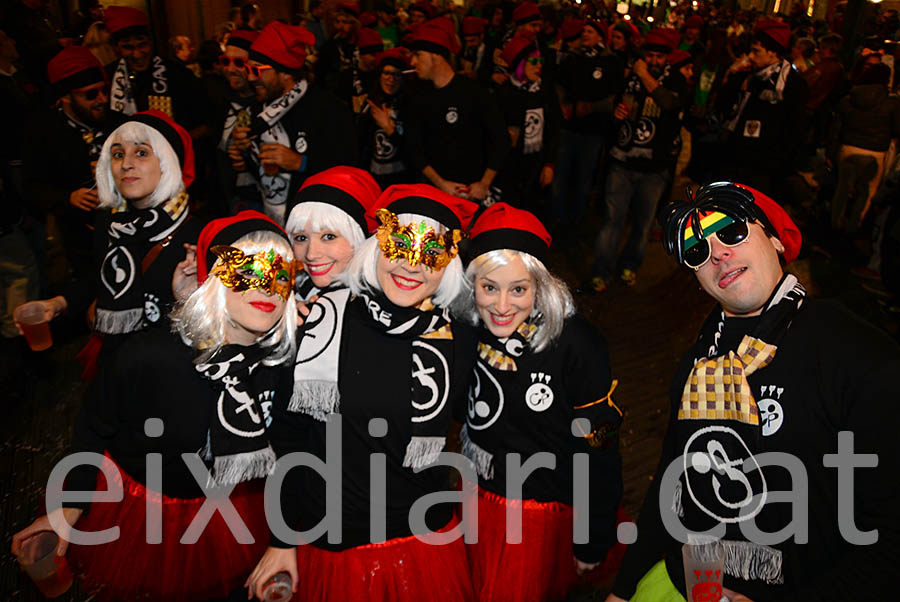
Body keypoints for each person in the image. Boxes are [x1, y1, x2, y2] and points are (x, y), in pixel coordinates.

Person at [606, 181, 900, 602]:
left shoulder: (857, 356)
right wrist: (623, 586)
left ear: (777, 239)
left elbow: (889, 537)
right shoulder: (699, 363)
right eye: (697, 252)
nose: (718, 254)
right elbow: (672, 487)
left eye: (731, 232)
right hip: (685, 585)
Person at [11, 210, 298, 601]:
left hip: (228, 513)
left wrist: (285, 537)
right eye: (247, 272)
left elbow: (291, 452)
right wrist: (71, 506)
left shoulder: (281, 369)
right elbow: (93, 427)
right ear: (213, 279)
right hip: (146, 516)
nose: (266, 287)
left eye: (280, 275)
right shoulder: (149, 356)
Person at [245, 184, 479, 601]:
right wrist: (283, 538)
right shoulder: (325, 320)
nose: (411, 267)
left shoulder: (459, 336)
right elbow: (290, 439)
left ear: (449, 266)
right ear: (375, 248)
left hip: (424, 536)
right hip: (337, 537)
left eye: (431, 255)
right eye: (399, 247)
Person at [460, 202, 624, 601]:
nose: (501, 306)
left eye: (518, 289)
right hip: (478, 499)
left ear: (541, 285)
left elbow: (600, 449)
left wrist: (592, 537)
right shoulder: (466, 327)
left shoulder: (577, 344)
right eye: (489, 288)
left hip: (538, 513)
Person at [229, 21, 357, 224]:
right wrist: (243, 153)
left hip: (316, 220)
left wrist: (301, 163)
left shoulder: (328, 109)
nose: (250, 78)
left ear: (286, 73)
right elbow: (257, 174)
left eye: (257, 70)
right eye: (247, 69)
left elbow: (350, 169)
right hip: (271, 219)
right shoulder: (257, 111)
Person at [590, 28, 687, 292]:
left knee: (642, 225)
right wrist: (618, 113)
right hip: (622, 162)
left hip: (654, 168)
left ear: (667, 58)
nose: (654, 61)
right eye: (650, 56)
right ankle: (601, 271)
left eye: (659, 57)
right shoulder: (629, 78)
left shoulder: (675, 79)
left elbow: (670, 105)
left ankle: (629, 266)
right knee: (613, 222)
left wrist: (644, 74)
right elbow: (617, 104)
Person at [24, 46, 117, 282]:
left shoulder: (118, 124)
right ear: (66, 96)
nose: (102, 100)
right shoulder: (44, 133)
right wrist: (68, 197)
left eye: (104, 91)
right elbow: (32, 189)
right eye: (91, 94)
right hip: (80, 244)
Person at [406, 20, 509, 205]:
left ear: (435, 56)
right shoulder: (418, 97)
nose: (413, 62)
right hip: (434, 194)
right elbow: (413, 148)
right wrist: (441, 184)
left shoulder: (474, 92)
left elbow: (500, 138)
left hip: (472, 193)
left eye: (418, 55)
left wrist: (484, 183)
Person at [716, 18, 809, 198]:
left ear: (773, 53)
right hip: (734, 158)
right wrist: (732, 78)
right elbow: (724, 106)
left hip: (762, 169)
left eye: (756, 51)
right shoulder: (748, 76)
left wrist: (775, 163)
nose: (750, 56)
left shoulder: (792, 84)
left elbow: (794, 128)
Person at [552, 19, 623, 227]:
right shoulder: (573, 58)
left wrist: (592, 107)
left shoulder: (611, 62)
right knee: (561, 175)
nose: (585, 35)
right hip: (569, 128)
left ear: (601, 36)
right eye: (583, 31)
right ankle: (557, 217)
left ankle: (577, 219)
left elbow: (615, 96)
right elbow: (559, 83)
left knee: (583, 178)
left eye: (590, 31)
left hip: (592, 131)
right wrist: (563, 102)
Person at [104, 6, 208, 140]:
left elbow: (206, 123)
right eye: (128, 47)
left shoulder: (177, 73)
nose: (136, 54)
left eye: (142, 45)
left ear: (151, 42)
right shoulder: (109, 78)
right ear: (116, 48)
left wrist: (178, 143)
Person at [284, 165, 381, 302]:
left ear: (361, 239)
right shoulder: (297, 291)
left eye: (329, 237)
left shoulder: (378, 308)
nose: (311, 254)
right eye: (301, 238)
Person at [493, 35, 561, 211]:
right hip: (508, 166)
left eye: (540, 61)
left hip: (536, 165)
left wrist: (549, 164)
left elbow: (554, 129)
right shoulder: (504, 93)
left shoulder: (545, 91)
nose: (539, 65)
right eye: (533, 61)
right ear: (520, 64)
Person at [359, 48, 412, 187]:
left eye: (397, 75)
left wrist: (389, 129)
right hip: (373, 180)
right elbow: (360, 143)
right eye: (387, 73)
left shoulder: (410, 105)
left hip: (403, 180)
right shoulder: (371, 103)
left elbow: (414, 151)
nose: (391, 79)